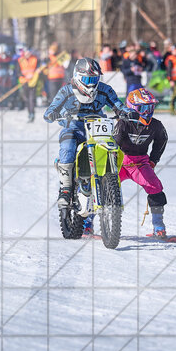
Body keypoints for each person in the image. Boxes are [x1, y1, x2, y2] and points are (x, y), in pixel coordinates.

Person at [43, 58, 130, 236]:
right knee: (67, 148)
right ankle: (66, 189)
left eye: (94, 80)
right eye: (88, 80)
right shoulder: (66, 91)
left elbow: (117, 104)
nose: (92, 84)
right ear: (77, 76)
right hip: (73, 128)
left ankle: (108, 181)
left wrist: (125, 112)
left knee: (114, 147)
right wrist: (55, 114)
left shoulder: (105, 90)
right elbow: (49, 111)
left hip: (98, 128)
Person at [114, 88, 172, 240]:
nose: (147, 112)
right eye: (143, 108)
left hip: (140, 162)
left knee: (155, 187)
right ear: (133, 108)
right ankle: (88, 222)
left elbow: (162, 140)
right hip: (120, 161)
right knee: (100, 185)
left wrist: (153, 159)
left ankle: (158, 226)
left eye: (150, 108)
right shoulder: (123, 123)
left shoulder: (156, 125)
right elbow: (114, 144)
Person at [17, 46, 40, 122]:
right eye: (27, 52)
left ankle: (32, 114)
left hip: (33, 82)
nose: (28, 53)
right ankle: (29, 113)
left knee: (31, 98)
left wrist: (37, 72)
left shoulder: (35, 59)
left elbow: (38, 68)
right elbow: (17, 72)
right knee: (26, 99)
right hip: (24, 82)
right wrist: (24, 76)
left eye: (29, 52)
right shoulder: (20, 60)